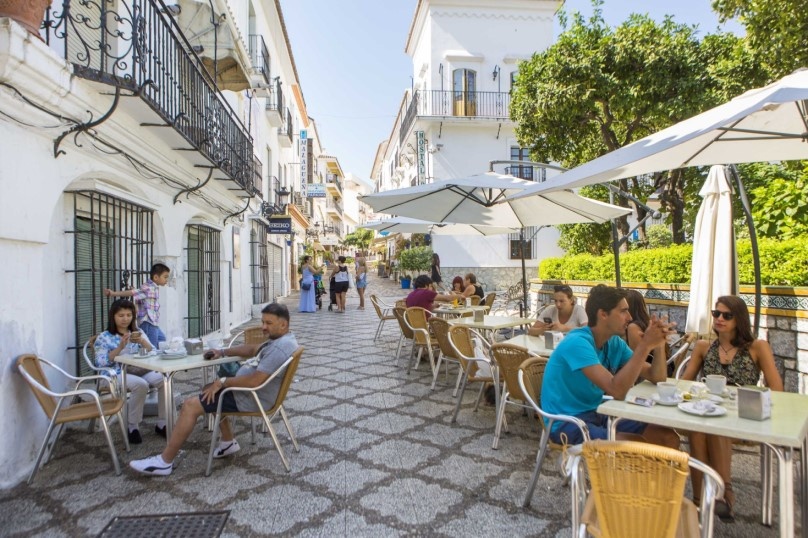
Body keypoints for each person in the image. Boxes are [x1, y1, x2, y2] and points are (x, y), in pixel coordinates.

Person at [129, 303, 299, 476]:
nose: (263, 327)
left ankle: (164, 462)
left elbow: (255, 381)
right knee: (208, 389)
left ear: (283, 324)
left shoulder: (279, 348)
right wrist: (222, 352)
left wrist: (223, 382)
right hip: (253, 393)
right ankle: (228, 441)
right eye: (263, 322)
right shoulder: (281, 340)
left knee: (190, 405)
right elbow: (252, 348)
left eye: (268, 323)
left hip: (251, 397)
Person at [681, 296, 783, 520]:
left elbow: (777, 389)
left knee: (715, 427)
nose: (719, 319)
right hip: (710, 413)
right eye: (716, 313)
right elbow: (684, 384)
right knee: (698, 429)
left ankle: (723, 493)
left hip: (744, 417)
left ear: (739, 319)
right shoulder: (704, 347)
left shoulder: (757, 347)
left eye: (727, 315)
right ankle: (701, 500)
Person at [540, 284, 679, 449]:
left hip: (597, 413)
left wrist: (658, 344)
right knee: (636, 446)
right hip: (567, 423)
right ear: (603, 314)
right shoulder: (577, 343)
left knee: (666, 436)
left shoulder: (614, 343)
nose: (629, 317)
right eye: (623, 311)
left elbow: (657, 377)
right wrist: (644, 346)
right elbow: (617, 391)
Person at [94, 300, 167, 443]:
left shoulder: (137, 332)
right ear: (113, 316)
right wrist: (120, 347)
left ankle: (162, 423)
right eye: (121, 315)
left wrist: (143, 342)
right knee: (141, 385)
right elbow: (101, 362)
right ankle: (133, 426)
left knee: (164, 380)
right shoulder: (104, 337)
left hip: (138, 370)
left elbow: (153, 351)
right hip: (114, 374)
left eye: (129, 315)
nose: (125, 319)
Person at [105, 263, 170, 347]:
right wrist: (114, 293)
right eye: (165, 277)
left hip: (153, 322)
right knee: (151, 347)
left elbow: (140, 294)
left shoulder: (153, 287)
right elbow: (133, 293)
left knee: (162, 340)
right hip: (147, 322)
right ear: (156, 277)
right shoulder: (149, 288)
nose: (166, 280)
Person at [624, 289, 668, 366]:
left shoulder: (633, 327)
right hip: (663, 364)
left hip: (652, 368)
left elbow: (636, 360)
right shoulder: (646, 321)